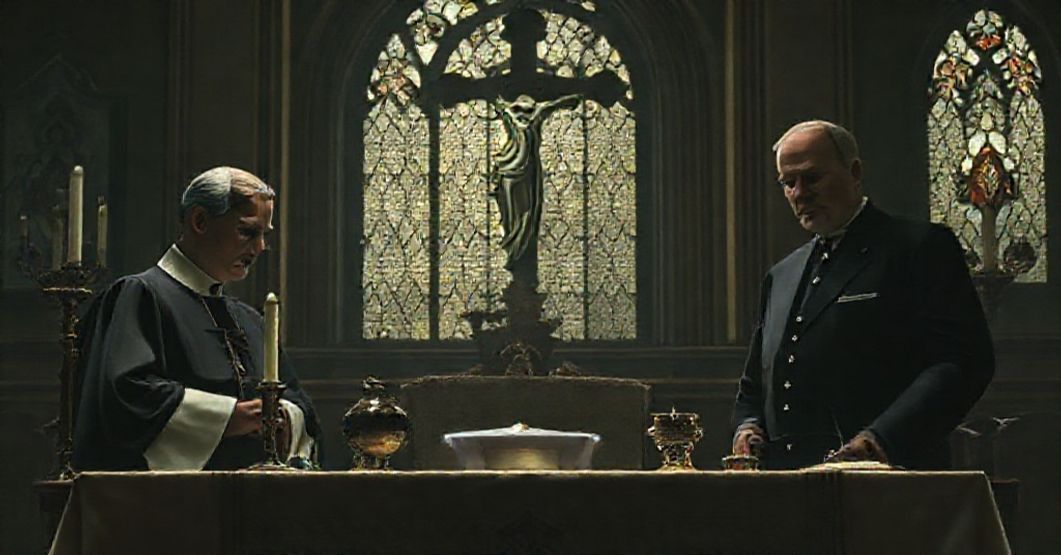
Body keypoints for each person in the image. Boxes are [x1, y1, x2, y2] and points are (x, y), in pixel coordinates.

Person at [731, 121, 994, 470]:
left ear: (854, 172)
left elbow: (962, 360)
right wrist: (747, 427)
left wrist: (882, 439)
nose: (799, 193)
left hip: (890, 478)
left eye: (812, 178)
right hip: (784, 486)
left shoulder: (919, 248)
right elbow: (753, 386)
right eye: (788, 183)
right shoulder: (781, 275)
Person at [73, 167, 320, 470]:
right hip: (169, 504)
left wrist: (285, 417)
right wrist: (228, 418)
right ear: (200, 221)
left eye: (264, 235)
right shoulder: (140, 295)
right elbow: (124, 397)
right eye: (247, 232)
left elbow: (299, 401)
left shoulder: (250, 320)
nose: (259, 248)